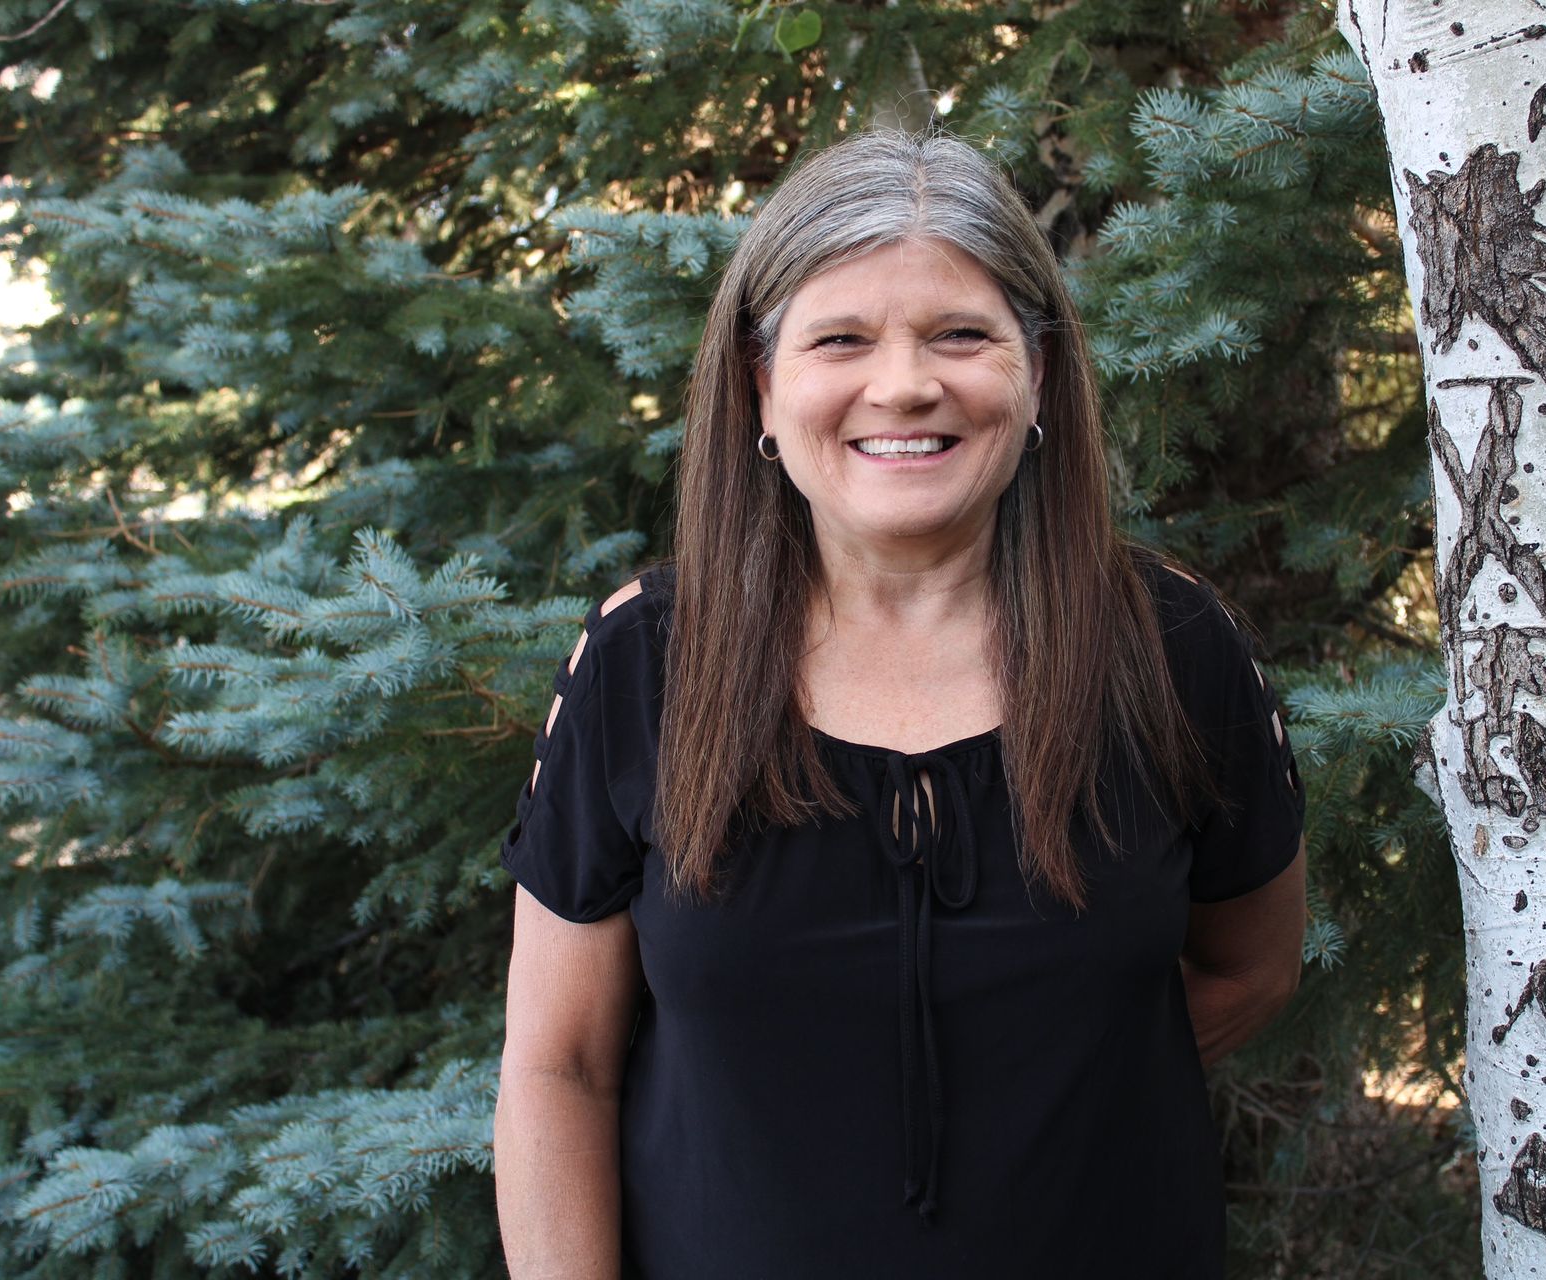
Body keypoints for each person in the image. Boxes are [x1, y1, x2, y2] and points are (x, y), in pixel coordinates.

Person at [494, 129, 1307, 1280]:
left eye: (961, 334)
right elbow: (558, 1065)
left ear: (1038, 376)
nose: (906, 383)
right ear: (761, 388)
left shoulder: (1171, 649)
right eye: (841, 339)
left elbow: (1250, 968)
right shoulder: (648, 662)